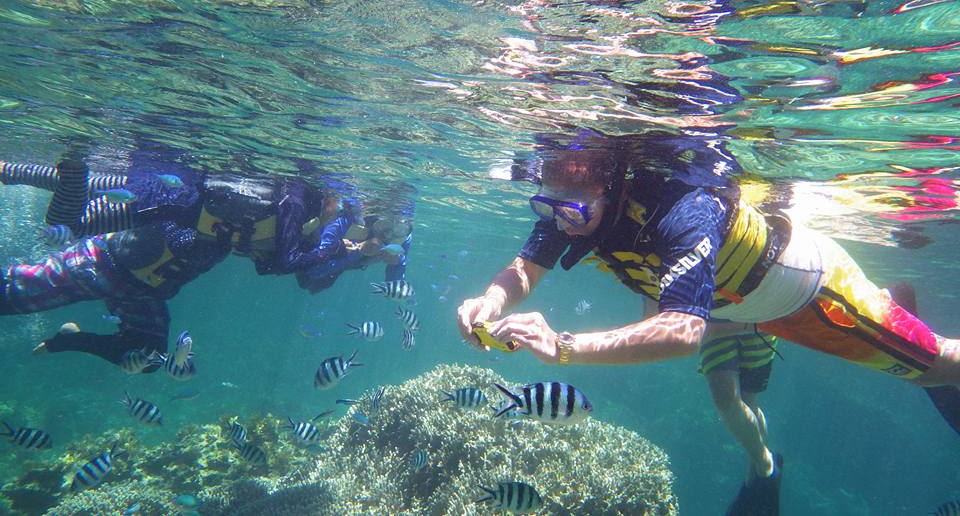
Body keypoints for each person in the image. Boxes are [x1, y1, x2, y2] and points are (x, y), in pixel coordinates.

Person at [457, 130, 960, 515]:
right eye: (545, 206)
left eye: (569, 210)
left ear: (609, 188)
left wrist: (563, 347)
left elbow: (681, 332)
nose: (559, 221)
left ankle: (898, 313)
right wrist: (491, 299)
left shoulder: (684, 208)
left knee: (937, 364)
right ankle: (765, 465)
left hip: (808, 295)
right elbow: (526, 267)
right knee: (725, 391)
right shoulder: (571, 206)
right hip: (734, 303)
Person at [0, 160, 409, 369]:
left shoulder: (263, 232)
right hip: (100, 265)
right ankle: (11, 169)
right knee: (11, 294)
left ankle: (66, 339)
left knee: (145, 360)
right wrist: (17, 172)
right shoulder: (181, 203)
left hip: (147, 294)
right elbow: (104, 189)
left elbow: (305, 275)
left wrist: (355, 257)